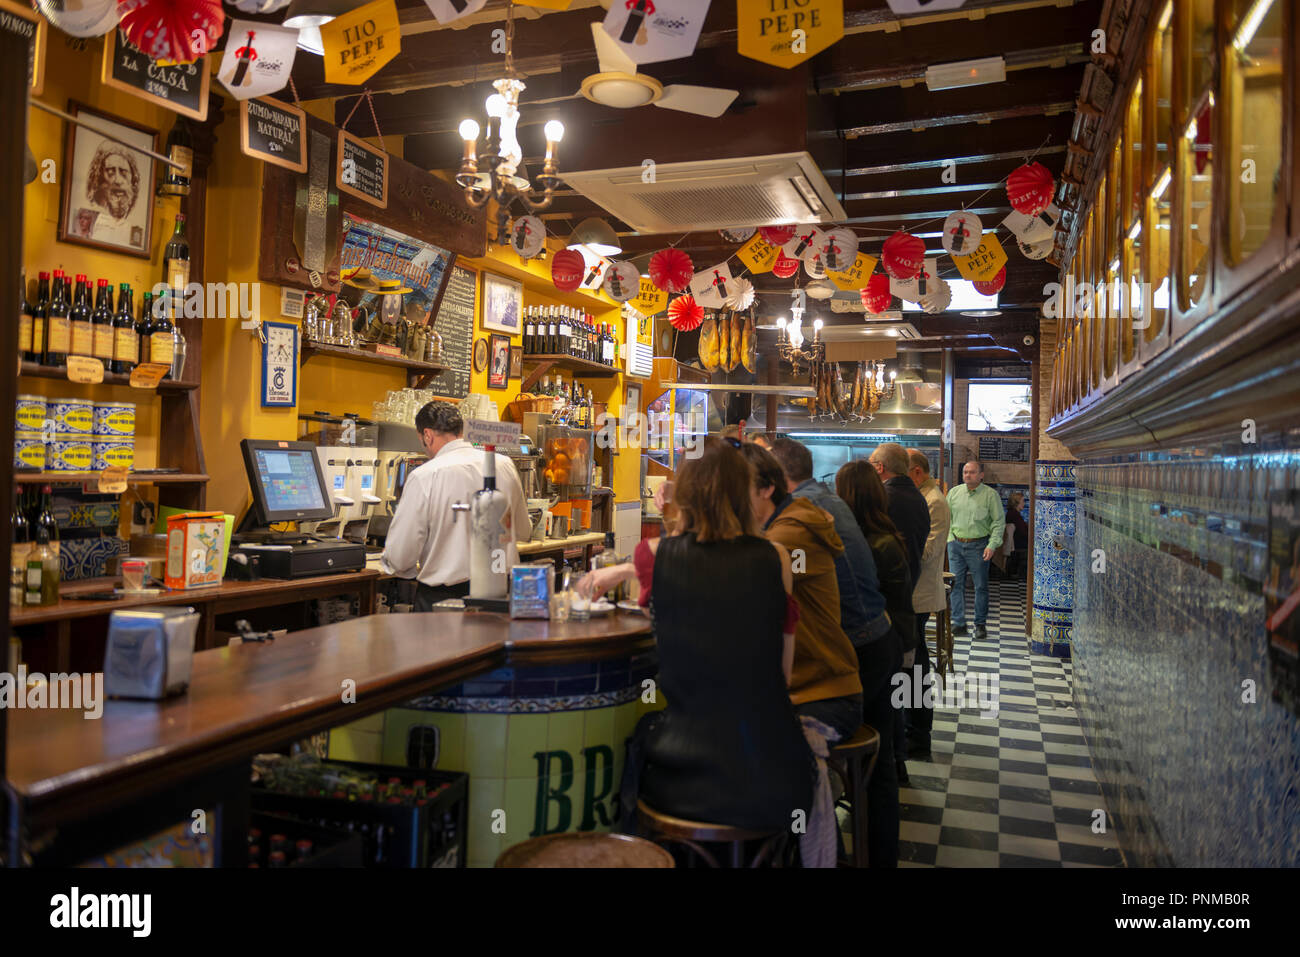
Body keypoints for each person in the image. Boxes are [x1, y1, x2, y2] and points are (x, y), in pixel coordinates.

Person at [581, 438, 815, 834]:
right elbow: (784, 674)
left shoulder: (651, 555)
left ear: (684, 492)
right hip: (775, 769)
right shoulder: (776, 558)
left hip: (684, 773)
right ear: (746, 492)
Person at [738, 443, 863, 742]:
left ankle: (817, 784)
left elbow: (735, 574)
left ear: (766, 489)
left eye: (735, 490)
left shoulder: (791, 532)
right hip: (804, 688)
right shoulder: (784, 521)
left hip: (823, 696)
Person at [835, 459, 916, 867]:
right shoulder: (887, 535)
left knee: (876, 746)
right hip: (897, 642)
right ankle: (882, 850)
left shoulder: (865, 545)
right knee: (883, 746)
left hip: (882, 648)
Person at [382, 401, 530, 611]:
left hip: (444, 600)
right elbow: (523, 531)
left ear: (427, 435)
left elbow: (400, 556)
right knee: (495, 644)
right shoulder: (504, 464)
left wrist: (399, 567)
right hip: (500, 595)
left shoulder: (425, 475)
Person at [768, 438, 892, 650]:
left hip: (859, 637)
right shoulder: (824, 499)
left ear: (777, 476)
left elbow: (789, 574)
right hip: (875, 628)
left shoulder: (803, 509)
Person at [905, 448, 951, 759]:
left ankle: (919, 735)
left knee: (917, 664)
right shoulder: (924, 496)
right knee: (912, 662)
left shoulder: (933, 501)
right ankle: (914, 730)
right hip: (914, 593)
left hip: (920, 595)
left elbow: (928, 550)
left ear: (917, 473)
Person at [946, 460, 1004, 639]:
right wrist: (949, 540)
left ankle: (980, 625)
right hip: (955, 544)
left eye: (971, 472)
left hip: (979, 545)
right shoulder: (954, 493)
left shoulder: (990, 495)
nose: (967, 475)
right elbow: (946, 518)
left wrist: (991, 545)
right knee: (956, 585)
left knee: (980, 587)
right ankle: (959, 623)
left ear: (981, 475)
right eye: (965, 472)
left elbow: (998, 522)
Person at [868, 442, 930, 588]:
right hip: (909, 581)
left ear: (880, 467)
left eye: (871, 464)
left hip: (884, 586)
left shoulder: (882, 497)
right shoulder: (919, 497)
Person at [82, 142, 143, 248]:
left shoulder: (137, 226)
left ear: (133, 178)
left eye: (124, 173)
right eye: (110, 172)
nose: (118, 180)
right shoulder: (92, 218)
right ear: (99, 177)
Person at [1005, 491, 1029, 579]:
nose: (1024, 503)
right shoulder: (1014, 515)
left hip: (1016, 543)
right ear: (1017, 503)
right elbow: (1023, 532)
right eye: (1022, 501)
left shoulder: (1012, 513)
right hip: (1018, 543)